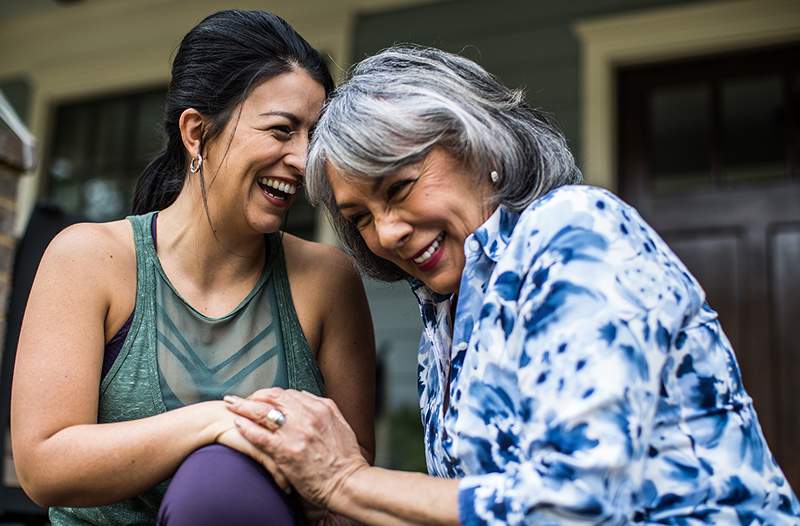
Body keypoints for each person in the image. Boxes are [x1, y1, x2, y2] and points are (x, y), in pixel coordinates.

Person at [223, 45, 800, 525]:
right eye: (361, 219)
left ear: (477, 144)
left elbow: (574, 505)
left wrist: (348, 481)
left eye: (399, 188)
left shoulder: (574, 233)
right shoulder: (447, 313)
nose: (388, 232)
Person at [10, 10, 375, 526]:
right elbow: (44, 464)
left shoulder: (328, 280)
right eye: (281, 130)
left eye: (313, 136)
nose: (303, 159)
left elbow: (350, 484)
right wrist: (217, 421)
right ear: (196, 132)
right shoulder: (90, 259)